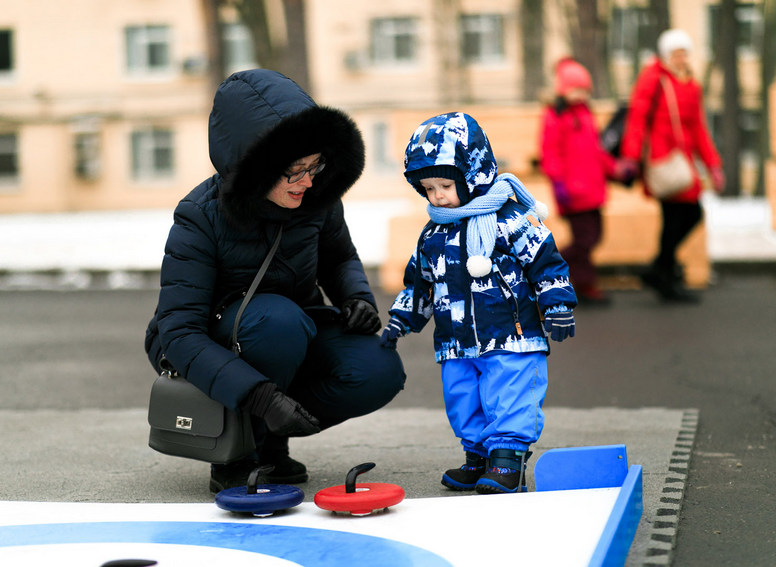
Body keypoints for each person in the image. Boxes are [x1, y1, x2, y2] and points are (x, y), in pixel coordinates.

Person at [144, 69, 406, 492]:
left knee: (377, 367)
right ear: (254, 166)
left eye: (315, 166)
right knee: (276, 321)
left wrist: (355, 296)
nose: (308, 181)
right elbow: (177, 331)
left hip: (291, 330)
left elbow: (340, 256)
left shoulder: (316, 198)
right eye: (293, 171)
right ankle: (236, 453)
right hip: (215, 339)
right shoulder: (199, 217)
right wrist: (259, 396)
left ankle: (269, 439)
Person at [380, 112, 577, 494]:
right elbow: (420, 282)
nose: (437, 196)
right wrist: (401, 320)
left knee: (510, 393)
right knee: (462, 398)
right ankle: (478, 455)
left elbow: (543, 257)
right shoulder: (433, 232)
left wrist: (556, 302)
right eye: (428, 188)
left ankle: (507, 459)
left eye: (444, 185)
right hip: (455, 341)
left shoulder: (509, 217)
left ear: (472, 174)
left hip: (510, 335)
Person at [620, 29, 724, 302]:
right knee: (678, 217)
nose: (681, 58)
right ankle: (664, 274)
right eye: (676, 53)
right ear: (666, 55)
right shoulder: (653, 79)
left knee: (686, 216)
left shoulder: (691, 84)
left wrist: (712, 164)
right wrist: (631, 157)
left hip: (683, 163)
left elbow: (699, 128)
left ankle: (661, 270)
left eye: (684, 53)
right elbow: (637, 119)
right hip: (662, 161)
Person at [539, 57, 633, 306]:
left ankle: (584, 285)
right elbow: (550, 152)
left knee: (594, 237)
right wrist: (558, 183)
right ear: (563, 89)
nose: (580, 95)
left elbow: (598, 152)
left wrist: (617, 169)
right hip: (572, 192)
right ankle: (546, 269)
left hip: (592, 190)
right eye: (575, 89)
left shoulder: (586, 115)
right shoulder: (555, 116)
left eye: (584, 90)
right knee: (585, 240)